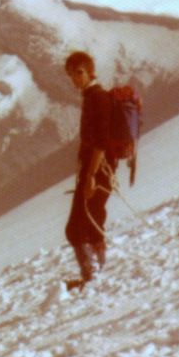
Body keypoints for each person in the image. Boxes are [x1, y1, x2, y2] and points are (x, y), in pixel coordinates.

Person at [63, 51, 117, 289]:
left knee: (76, 228)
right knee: (92, 222)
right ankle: (96, 272)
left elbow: (101, 143)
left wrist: (91, 177)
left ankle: (92, 275)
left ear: (89, 71)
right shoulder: (92, 96)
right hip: (95, 170)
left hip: (97, 171)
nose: (75, 79)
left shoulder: (98, 98)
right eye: (71, 74)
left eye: (79, 73)